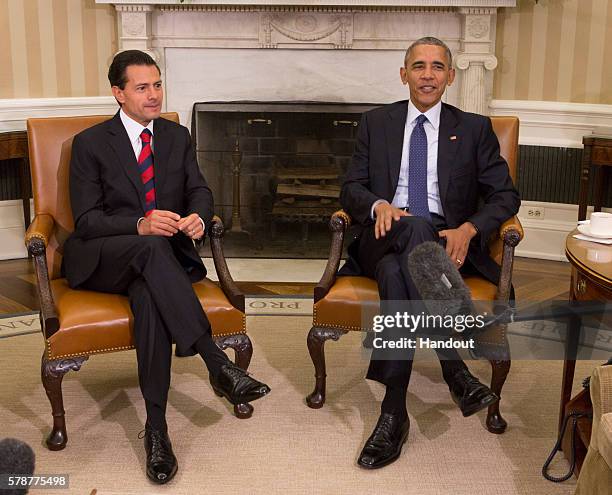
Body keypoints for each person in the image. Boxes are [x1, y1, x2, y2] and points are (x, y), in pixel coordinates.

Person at [62, 50, 270, 484]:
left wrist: (197, 215)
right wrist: (140, 224)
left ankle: (156, 429)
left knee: (150, 300)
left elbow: (200, 190)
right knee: (153, 249)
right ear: (118, 93)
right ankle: (216, 362)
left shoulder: (176, 137)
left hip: (155, 268)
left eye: (157, 85)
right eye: (142, 87)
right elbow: (86, 221)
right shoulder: (90, 143)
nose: (154, 95)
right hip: (102, 259)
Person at [339, 37, 520, 469]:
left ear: (450, 77)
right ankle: (454, 364)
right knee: (412, 225)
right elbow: (350, 188)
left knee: (395, 273)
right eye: (418, 66)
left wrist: (470, 228)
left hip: (437, 242)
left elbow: (505, 196)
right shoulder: (375, 123)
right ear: (404, 74)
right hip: (383, 230)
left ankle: (392, 413)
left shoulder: (474, 128)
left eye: (437, 67)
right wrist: (379, 205)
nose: (427, 75)